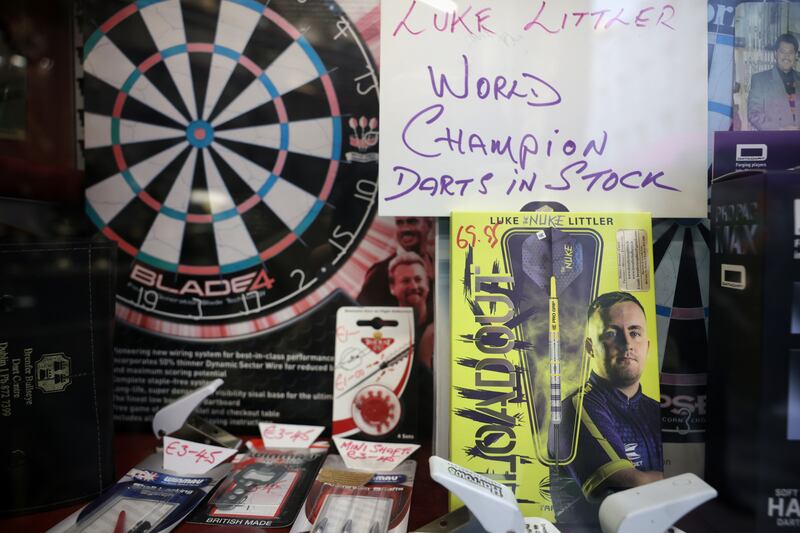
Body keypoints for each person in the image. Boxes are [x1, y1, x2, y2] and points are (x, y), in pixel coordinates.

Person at [551, 291, 662, 523]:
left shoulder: (654, 410)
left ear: (648, 346)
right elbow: (629, 484)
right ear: (590, 347)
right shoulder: (575, 408)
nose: (628, 344)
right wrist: (691, 480)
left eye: (635, 333)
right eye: (612, 333)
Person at [357, 217, 434, 307]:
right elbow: (362, 313)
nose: (405, 229)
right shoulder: (380, 272)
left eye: (412, 222)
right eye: (400, 223)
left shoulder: (438, 265)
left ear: (429, 225)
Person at [387, 252, 433, 368]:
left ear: (427, 283)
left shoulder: (442, 327)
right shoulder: (387, 332)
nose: (413, 286)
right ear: (392, 288)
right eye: (406, 281)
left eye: (418, 279)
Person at [748, 33, 800, 130]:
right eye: (782, 52)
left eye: (791, 52)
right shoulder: (759, 80)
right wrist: (781, 129)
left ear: (796, 55)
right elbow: (754, 115)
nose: (786, 56)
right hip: (773, 141)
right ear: (775, 54)